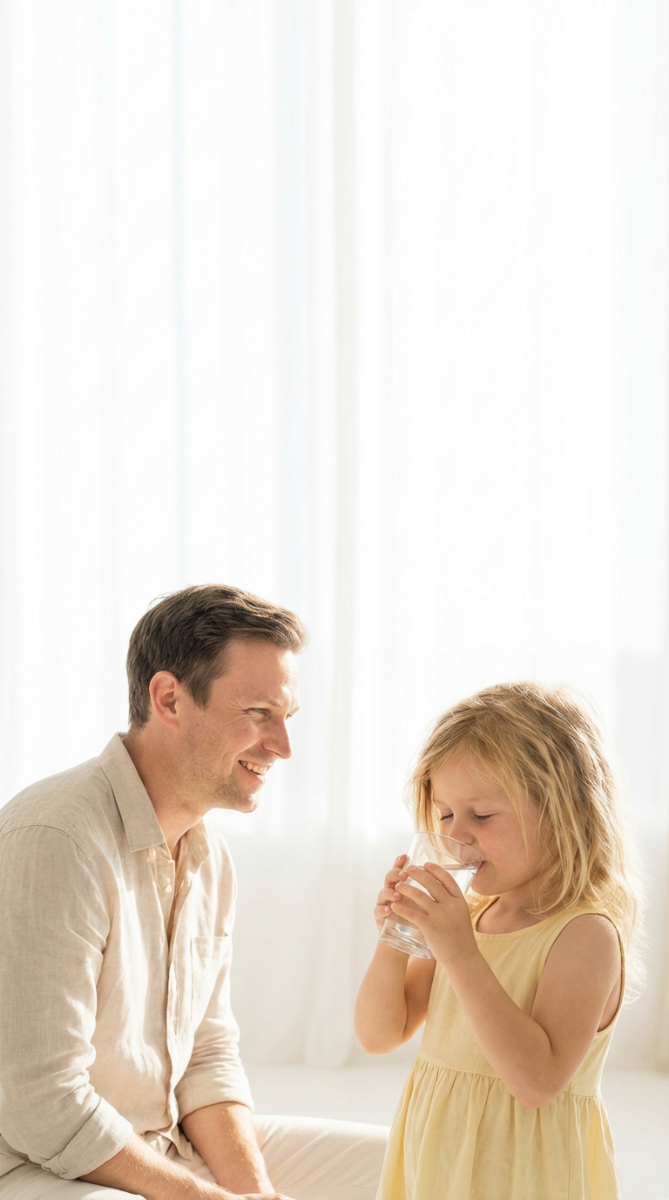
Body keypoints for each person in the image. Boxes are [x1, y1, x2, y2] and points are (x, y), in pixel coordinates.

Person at [0, 584, 387, 1200]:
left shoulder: (209, 855)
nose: (283, 746)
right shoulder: (56, 838)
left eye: (286, 718)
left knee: (419, 1163)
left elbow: (205, 1055)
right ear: (169, 698)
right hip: (39, 1167)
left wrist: (253, 1193)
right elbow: (41, 1104)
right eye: (259, 712)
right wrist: (200, 1198)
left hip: (161, 1145)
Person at [355, 681, 641, 1200]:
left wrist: (459, 951)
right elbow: (379, 1035)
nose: (456, 835)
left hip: (523, 1175)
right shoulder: (470, 915)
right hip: (438, 1159)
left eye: (481, 815)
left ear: (562, 812)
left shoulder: (584, 935)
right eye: (444, 814)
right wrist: (395, 938)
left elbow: (536, 1083)